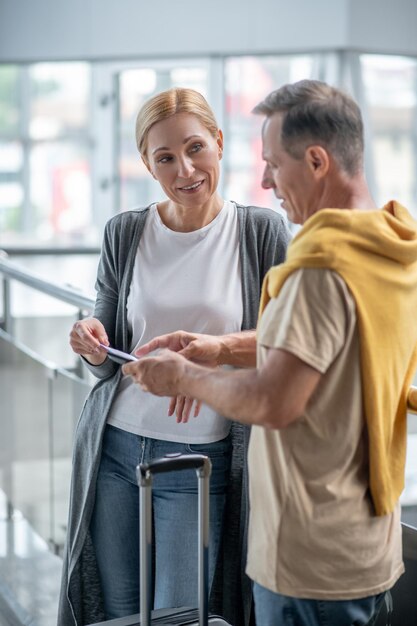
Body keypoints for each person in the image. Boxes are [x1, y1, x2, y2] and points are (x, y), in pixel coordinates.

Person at [123, 79, 417, 626]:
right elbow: (328, 344)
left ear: (316, 161)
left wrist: (182, 377)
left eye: (274, 164)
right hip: (368, 541)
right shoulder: (388, 247)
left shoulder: (319, 269)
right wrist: (222, 348)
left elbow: (274, 399)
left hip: (312, 556)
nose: (265, 180)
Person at [57, 87, 291, 626]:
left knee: (180, 615)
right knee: (116, 611)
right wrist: (89, 340)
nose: (184, 168)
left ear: (220, 143)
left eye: (195, 148)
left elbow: (283, 344)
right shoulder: (125, 231)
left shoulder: (260, 232)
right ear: (147, 163)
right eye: (164, 157)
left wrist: (211, 361)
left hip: (198, 461)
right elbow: (106, 352)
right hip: (113, 449)